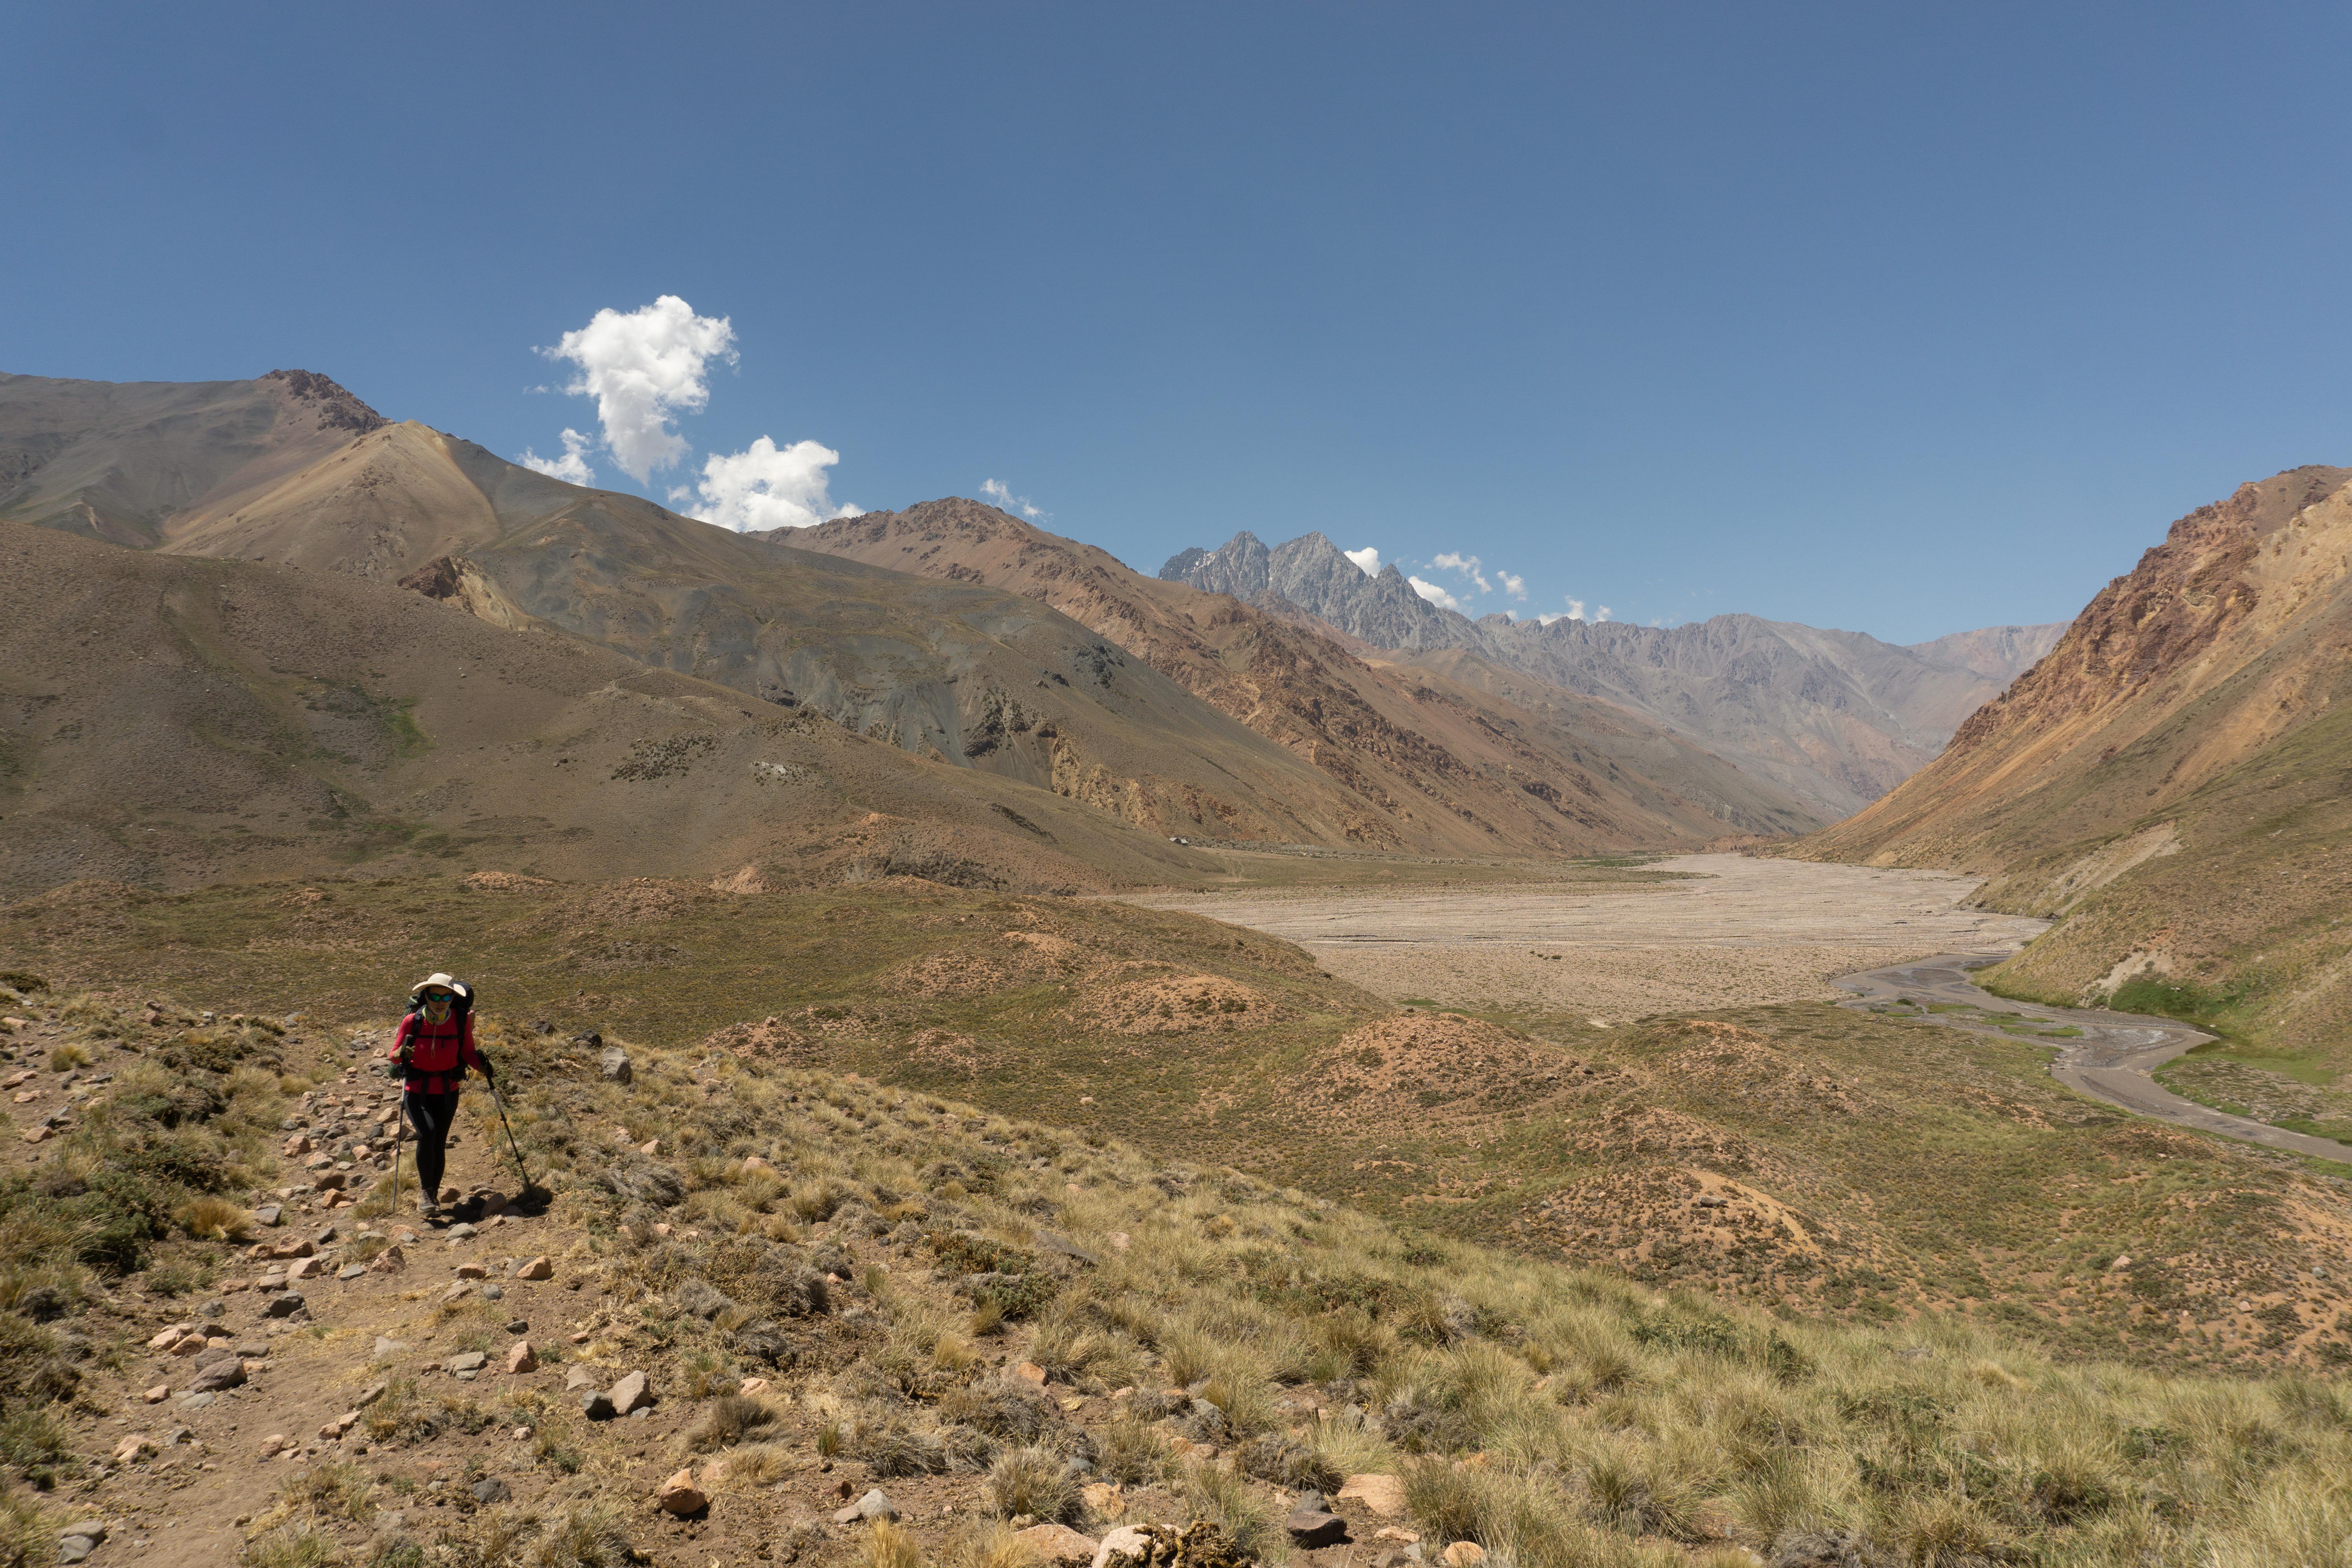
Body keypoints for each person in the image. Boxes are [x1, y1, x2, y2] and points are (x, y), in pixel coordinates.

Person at [387, 972, 492, 1219]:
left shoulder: (460, 1020)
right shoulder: (412, 1021)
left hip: (447, 1090)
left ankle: (432, 1195)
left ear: (452, 998)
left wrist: (483, 1067)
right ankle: (425, 1193)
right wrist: (402, 1053)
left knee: (439, 1142)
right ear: (426, 996)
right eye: (435, 996)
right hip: (416, 1090)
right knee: (428, 1134)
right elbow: (393, 1056)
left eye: (446, 997)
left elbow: (468, 1052)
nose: (440, 1002)